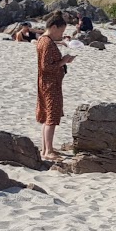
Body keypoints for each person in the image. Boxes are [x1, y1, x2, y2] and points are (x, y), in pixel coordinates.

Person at [36, 12, 76, 160]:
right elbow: (46, 66)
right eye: (61, 31)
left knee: (48, 115)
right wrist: (63, 61)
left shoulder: (43, 40)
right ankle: (48, 151)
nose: (61, 34)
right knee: (51, 116)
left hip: (47, 82)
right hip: (50, 83)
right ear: (53, 27)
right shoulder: (46, 42)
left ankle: (46, 148)